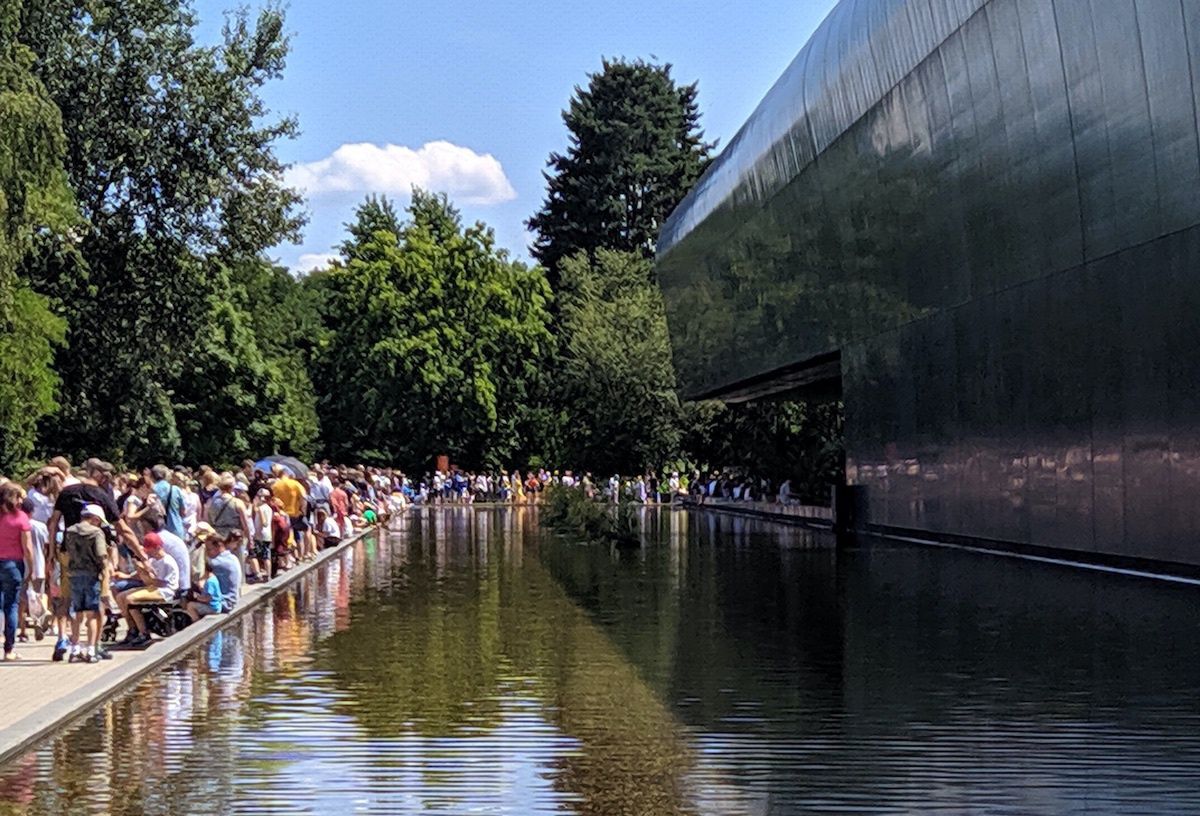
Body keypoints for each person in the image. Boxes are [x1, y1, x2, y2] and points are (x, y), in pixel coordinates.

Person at [47, 459, 136, 662]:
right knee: (99, 602)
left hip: (67, 552)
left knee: (66, 599)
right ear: (100, 475)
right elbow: (122, 528)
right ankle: (94, 646)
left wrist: (51, 552)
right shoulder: (101, 496)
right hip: (94, 556)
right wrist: (140, 553)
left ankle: (63, 639)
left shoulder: (66, 493)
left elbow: (53, 523)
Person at [61, 503, 110, 663]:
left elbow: (67, 551)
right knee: (93, 613)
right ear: (95, 518)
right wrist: (104, 571)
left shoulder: (70, 531)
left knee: (77, 612)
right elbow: (101, 554)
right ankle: (90, 650)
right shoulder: (96, 533)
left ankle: (75, 649)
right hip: (91, 575)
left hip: (74, 573)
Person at [116, 532, 179, 647]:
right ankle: (132, 628)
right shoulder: (152, 561)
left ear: (157, 548)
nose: (148, 552)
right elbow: (140, 577)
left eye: (150, 549)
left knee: (131, 599)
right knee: (121, 597)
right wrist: (127, 575)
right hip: (151, 588)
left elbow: (161, 582)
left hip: (164, 591)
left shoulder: (167, 562)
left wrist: (146, 574)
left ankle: (144, 633)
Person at [0, 484, 34, 661]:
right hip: (13, 564)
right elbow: (27, 548)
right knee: (11, 606)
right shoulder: (21, 518)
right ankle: (8, 649)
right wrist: (32, 567)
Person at [151, 464, 186, 539]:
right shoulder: (175, 489)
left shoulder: (152, 490)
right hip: (175, 528)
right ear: (165, 475)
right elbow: (183, 512)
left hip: (157, 530)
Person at [208, 533, 241, 611]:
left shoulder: (216, 563)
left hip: (226, 603)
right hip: (234, 599)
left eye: (209, 549)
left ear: (218, 547)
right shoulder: (233, 557)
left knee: (191, 605)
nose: (207, 552)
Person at [185, 558, 223, 623]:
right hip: (216, 605)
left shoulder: (210, 582)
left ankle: (196, 622)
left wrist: (197, 598)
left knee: (190, 605)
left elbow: (208, 599)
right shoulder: (213, 578)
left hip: (212, 608)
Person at [250, 489, 273, 583]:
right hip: (268, 535)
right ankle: (268, 575)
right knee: (266, 555)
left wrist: (257, 533)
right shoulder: (269, 508)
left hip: (261, 535)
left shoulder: (261, 509)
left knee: (253, 555)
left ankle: (258, 574)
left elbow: (264, 522)